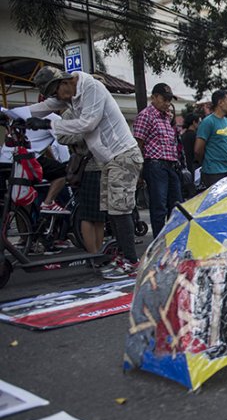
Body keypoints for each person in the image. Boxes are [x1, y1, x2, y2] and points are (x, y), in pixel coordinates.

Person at [28, 66, 142, 278]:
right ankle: (125, 258)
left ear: (64, 82)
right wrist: (13, 116)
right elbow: (44, 106)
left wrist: (49, 124)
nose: (57, 98)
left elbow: (88, 123)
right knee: (112, 210)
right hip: (108, 159)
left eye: (56, 92)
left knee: (120, 209)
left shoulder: (91, 87)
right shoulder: (68, 93)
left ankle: (132, 262)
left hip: (123, 154)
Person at [133, 83, 182, 239]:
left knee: (176, 205)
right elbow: (138, 146)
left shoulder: (167, 117)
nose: (167, 103)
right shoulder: (146, 115)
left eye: (169, 99)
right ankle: (159, 242)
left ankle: (173, 239)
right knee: (159, 206)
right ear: (153, 97)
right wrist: (139, 173)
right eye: (164, 99)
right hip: (155, 165)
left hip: (170, 164)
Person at [56, 110, 105, 258]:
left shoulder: (95, 109)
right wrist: (84, 134)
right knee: (88, 215)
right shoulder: (70, 113)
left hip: (102, 165)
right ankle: (93, 254)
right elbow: (62, 137)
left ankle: (99, 253)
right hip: (87, 168)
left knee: (100, 216)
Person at [195, 89, 227, 188]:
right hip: (214, 173)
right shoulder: (208, 122)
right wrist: (206, 163)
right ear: (220, 103)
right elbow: (198, 150)